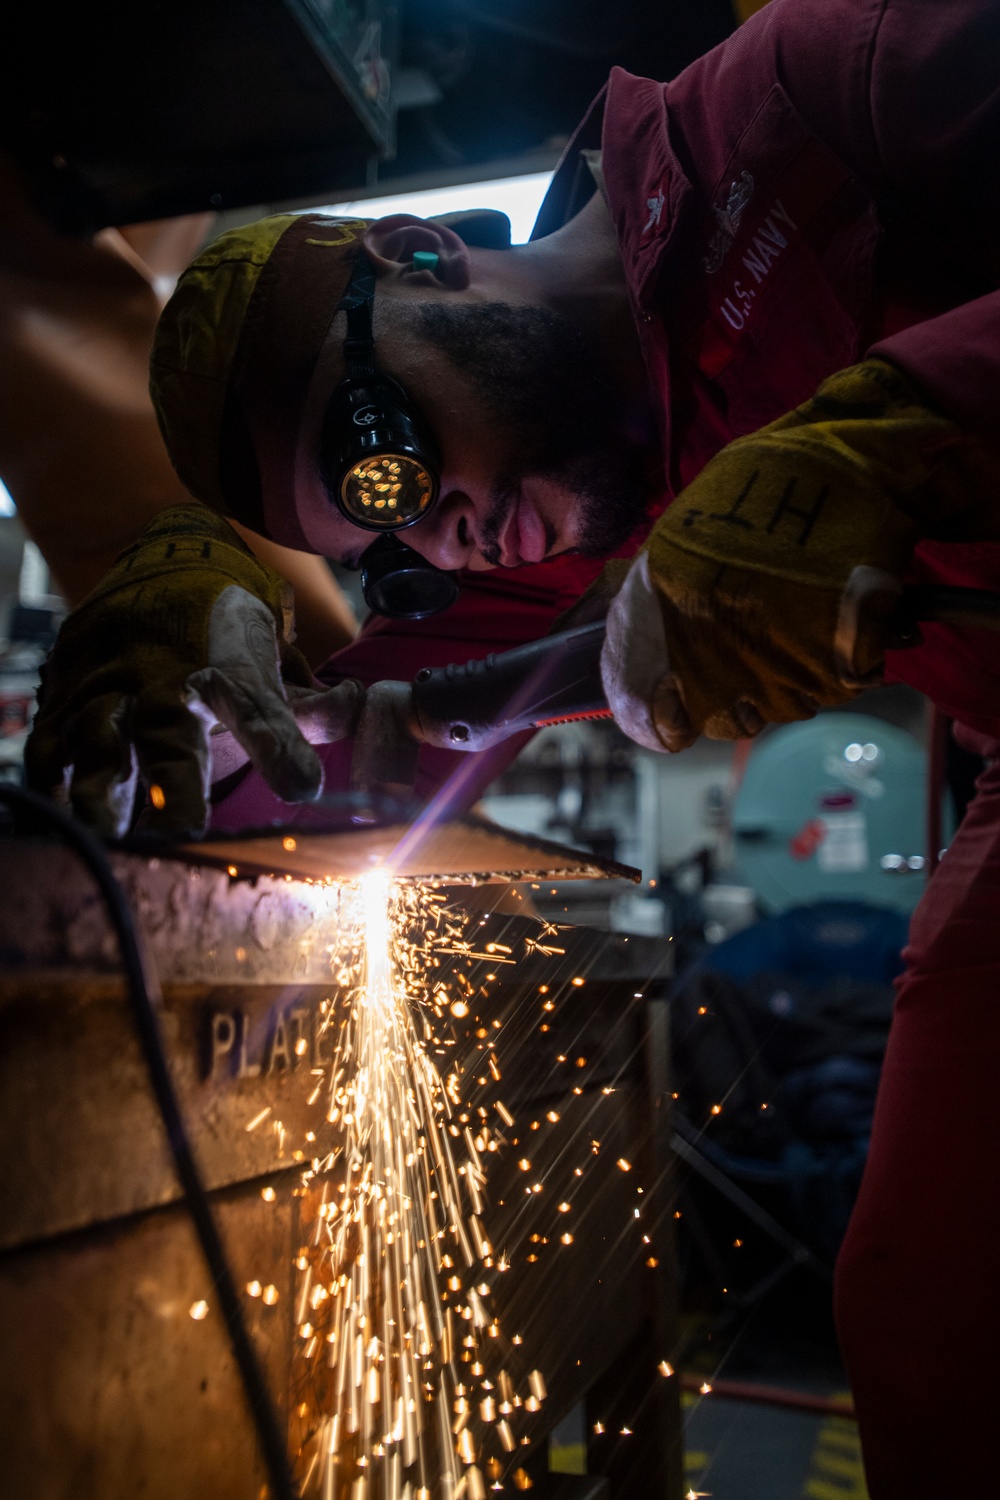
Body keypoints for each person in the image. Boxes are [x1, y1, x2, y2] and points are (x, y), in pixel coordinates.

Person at [19, 1, 1000, 1492]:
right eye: (387, 530)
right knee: (942, 1313)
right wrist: (212, 666)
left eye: (387, 459)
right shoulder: (567, 480)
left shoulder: (817, 92)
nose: (440, 529)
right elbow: (374, 720)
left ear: (417, 258)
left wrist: (910, 418)